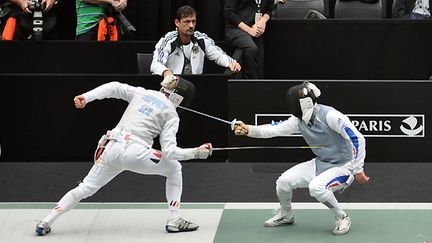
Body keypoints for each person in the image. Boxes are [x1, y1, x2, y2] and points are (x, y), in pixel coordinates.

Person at [35, 77, 213, 236]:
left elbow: (114, 87)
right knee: (174, 168)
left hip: (110, 147)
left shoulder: (142, 93)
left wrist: (86, 97)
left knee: (85, 188)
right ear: (179, 99)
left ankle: (46, 221)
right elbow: (170, 152)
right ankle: (175, 220)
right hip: (136, 153)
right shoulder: (172, 115)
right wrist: (196, 152)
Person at [233, 82, 370, 235]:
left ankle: (342, 217)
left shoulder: (330, 116)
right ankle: (286, 215)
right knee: (283, 182)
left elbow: (358, 138)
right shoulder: (298, 120)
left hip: (344, 166)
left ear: (305, 103)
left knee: (316, 187)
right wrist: (249, 130)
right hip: (320, 164)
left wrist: (358, 169)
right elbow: (274, 129)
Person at [150, 5, 241, 78]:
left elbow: (219, 55)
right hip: (171, 86)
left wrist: (232, 63)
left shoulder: (201, 39)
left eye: (193, 21)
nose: (191, 25)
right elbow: (156, 64)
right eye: (187, 21)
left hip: (196, 85)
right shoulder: (168, 40)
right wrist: (166, 72)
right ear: (177, 22)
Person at [224, 0, 274, 79]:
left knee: (259, 62)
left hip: (255, 29)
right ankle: (250, 84)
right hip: (235, 28)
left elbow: (270, 10)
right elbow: (228, 13)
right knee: (251, 48)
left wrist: (263, 21)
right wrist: (249, 30)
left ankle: (259, 84)